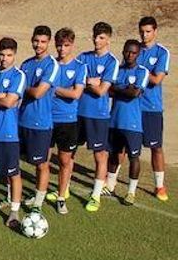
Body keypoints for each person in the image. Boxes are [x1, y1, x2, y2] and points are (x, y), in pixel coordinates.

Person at [77, 22, 119, 212]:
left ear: (108, 39)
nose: (96, 40)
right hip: (77, 112)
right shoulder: (83, 57)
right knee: (67, 152)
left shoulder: (112, 62)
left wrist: (88, 82)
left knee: (100, 155)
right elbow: (74, 80)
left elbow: (102, 91)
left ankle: (95, 195)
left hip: (99, 115)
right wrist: (90, 81)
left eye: (101, 37)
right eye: (95, 36)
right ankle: (64, 190)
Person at [18, 26, 59, 213]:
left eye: (43, 41)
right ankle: (13, 198)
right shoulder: (26, 64)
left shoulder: (52, 65)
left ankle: (38, 203)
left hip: (41, 123)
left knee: (41, 164)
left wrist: (23, 88)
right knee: (14, 162)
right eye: (36, 41)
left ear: (48, 42)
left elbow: (38, 92)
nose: (38, 45)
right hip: (21, 120)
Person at [0, 38, 27, 228]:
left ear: (14, 55)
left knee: (13, 173)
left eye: (9, 55)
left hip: (8, 133)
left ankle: (14, 210)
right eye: (2, 54)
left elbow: (9, 103)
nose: (4, 58)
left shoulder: (18, 76)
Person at [106, 39, 150, 205]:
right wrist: (125, 88)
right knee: (113, 154)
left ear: (138, 54)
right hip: (114, 120)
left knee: (134, 157)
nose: (129, 55)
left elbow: (135, 93)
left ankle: (131, 192)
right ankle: (110, 186)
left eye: (133, 52)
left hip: (133, 123)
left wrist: (118, 88)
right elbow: (108, 91)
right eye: (127, 51)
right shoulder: (117, 70)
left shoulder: (142, 72)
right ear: (123, 51)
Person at [48, 28, 86, 214]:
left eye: (66, 45)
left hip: (68, 121)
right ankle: (39, 193)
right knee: (43, 160)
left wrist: (53, 88)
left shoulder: (79, 67)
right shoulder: (50, 65)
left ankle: (61, 196)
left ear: (72, 45)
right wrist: (65, 90)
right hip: (46, 118)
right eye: (59, 45)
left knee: (64, 160)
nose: (62, 49)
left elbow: (76, 94)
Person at [137, 16, 170, 201]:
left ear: (155, 31)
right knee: (123, 145)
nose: (144, 34)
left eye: (148, 31)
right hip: (132, 106)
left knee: (156, 147)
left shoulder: (162, 52)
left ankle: (159, 186)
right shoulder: (134, 50)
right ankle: (111, 182)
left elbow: (157, 79)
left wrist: (138, 70)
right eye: (142, 31)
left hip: (152, 107)